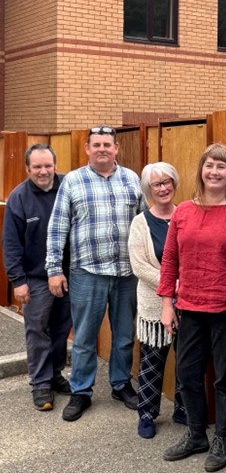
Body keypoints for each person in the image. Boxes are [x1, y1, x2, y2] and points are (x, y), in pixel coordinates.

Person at [158, 144, 226, 472]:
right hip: (190, 308)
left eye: (221, 167)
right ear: (201, 170)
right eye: (209, 165)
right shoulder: (183, 211)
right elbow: (170, 258)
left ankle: (222, 438)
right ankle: (197, 433)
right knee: (187, 375)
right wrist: (167, 303)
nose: (214, 172)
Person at [46, 125, 144, 421]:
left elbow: (144, 222)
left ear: (116, 149)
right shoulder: (73, 181)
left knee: (125, 334)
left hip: (127, 273)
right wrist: (54, 269)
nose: (102, 149)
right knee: (85, 337)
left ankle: (120, 383)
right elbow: (57, 227)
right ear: (87, 149)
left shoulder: (132, 179)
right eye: (96, 145)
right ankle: (81, 391)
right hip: (86, 272)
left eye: (107, 144)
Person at [5, 144, 71, 411]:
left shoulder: (68, 186)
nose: (44, 171)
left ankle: (55, 374)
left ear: (55, 165)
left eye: (48, 166)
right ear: (27, 169)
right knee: (37, 330)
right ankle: (41, 383)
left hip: (68, 275)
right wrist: (17, 281)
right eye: (37, 167)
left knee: (61, 329)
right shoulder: (18, 198)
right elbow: (10, 243)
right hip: (34, 278)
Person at [127, 162, 189, 438]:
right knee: (152, 361)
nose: (163, 188)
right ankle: (147, 414)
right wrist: (174, 285)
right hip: (154, 304)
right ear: (148, 189)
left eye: (167, 182)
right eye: (156, 184)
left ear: (175, 184)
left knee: (187, 360)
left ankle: (183, 409)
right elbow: (139, 266)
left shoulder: (187, 214)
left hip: (189, 303)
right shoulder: (140, 223)